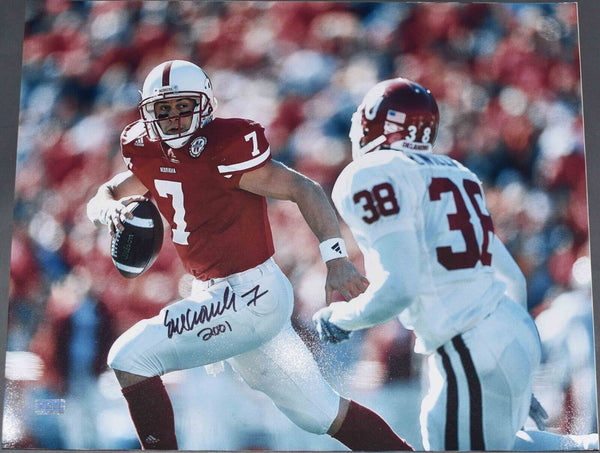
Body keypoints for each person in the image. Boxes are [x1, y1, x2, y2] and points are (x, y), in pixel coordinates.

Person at [86, 59, 413, 451]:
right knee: (320, 413)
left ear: (205, 105)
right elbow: (106, 193)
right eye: (163, 109)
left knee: (129, 357)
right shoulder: (148, 150)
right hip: (229, 295)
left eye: (183, 107)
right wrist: (109, 210)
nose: (173, 119)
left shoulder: (224, 147)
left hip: (248, 293)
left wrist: (336, 258)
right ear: (148, 113)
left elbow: (304, 188)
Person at [313, 78, 598, 451]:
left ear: (373, 124)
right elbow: (512, 277)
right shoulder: (455, 171)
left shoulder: (370, 173)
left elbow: (398, 289)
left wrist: (340, 317)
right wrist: (508, 360)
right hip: (508, 329)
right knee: (502, 445)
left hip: (467, 342)